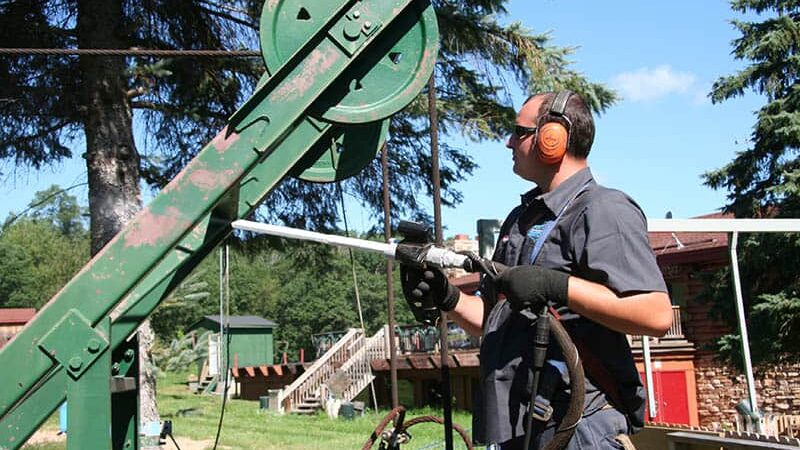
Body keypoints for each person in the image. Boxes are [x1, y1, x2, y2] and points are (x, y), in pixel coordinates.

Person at [400, 91, 673, 449]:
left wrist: (555, 285)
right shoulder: (521, 220)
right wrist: (448, 297)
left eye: (519, 131)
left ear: (553, 138)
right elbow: (493, 320)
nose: (508, 142)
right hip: (523, 427)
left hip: (579, 428)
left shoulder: (603, 210)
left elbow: (654, 314)